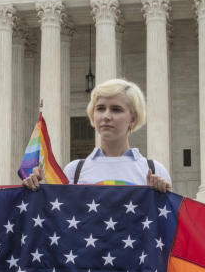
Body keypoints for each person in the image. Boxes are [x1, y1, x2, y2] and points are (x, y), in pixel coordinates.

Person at [23, 78, 171, 191]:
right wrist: (39, 190)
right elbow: (60, 222)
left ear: (132, 118)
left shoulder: (154, 171)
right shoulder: (74, 171)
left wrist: (164, 196)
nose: (106, 116)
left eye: (116, 109)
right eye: (100, 108)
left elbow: (169, 226)